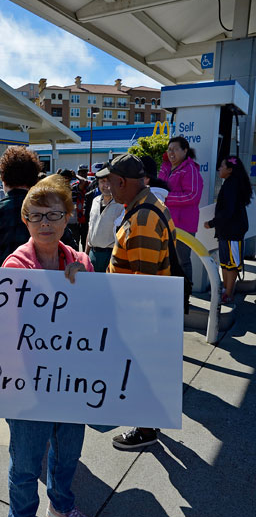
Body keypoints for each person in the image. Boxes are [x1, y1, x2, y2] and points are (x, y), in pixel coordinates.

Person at [2, 175, 95, 517]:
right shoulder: (15, 265)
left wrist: (82, 287)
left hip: (72, 381)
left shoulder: (82, 261)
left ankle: (61, 505)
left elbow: (96, 319)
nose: (45, 223)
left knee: (68, 452)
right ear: (26, 219)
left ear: (68, 217)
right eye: (37, 215)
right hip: (28, 384)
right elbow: (7, 327)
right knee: (26, 460)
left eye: (54, 214)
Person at [96, 154, 176, 450]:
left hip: (138, 316)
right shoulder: (148, 205)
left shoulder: (142, 218)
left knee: (139, 371)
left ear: (122, 182)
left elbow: (145, 284)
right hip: (144, 313)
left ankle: (145, 430)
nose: (107, 186)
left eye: (110, 181)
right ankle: (150, 421)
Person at [0, 146, 77, 268]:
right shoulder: (51, 212)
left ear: (3, 179)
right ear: (34, 180)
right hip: (49, 285)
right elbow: (72, 255)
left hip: (1, 285)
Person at [204, 156, 253, 303]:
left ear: (230, 170)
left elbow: (228, 211)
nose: (219, 168)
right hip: (228, 231)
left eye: (222, 166)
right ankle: (226, 290)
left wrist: (212, 223)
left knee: (231, 263)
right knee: (226, 262)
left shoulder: (232, 185)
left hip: (232, 232)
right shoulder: (232, 184)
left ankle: (228, 293)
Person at [158, 136, 203, 282]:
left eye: (175, 149)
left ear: (185, 151)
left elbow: (193, 195)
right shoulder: (165, 167)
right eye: (169, 149)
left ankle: (185, 296)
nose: (171, 153)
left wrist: (166, 197)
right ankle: (170, 295)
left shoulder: (190, 169)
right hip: (164, 222)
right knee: (165, 261)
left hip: (183, 224)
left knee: (182, 261)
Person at [86, 176, 123, 272]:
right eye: (102, 181)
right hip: (92, 255)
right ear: (98, 183)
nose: (106, 185)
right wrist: (85, 255)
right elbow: (90, 229)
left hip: (111, 255)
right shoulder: (95, 201)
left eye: (109, 181)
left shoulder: (121, 204)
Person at [70, 165, 91, 251]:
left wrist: (76, 176)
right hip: (75, 219)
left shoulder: (90, 184)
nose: (83, 174)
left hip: (86, 219)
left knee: (85, 242)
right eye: (81, 172)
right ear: (78, 172)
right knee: (75, 242)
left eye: (85, 172)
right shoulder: (74, 186)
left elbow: (84, 182)